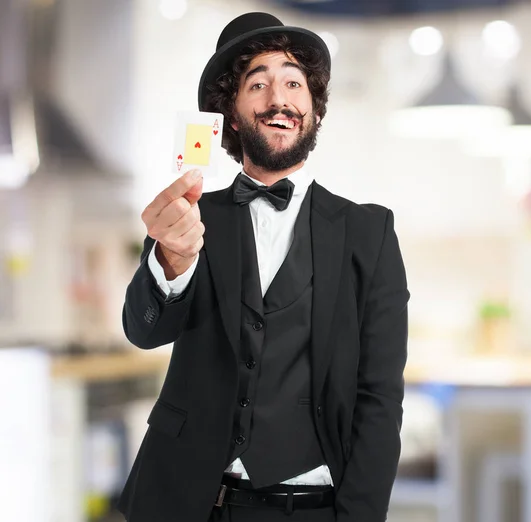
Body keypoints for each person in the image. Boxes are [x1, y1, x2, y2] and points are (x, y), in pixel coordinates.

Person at [118, 11, 409, 522]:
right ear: (231, 114)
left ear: (313, 110)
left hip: (313, 508)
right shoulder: (188, 216)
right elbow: (143, 331)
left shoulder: (370, 233)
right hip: (189, 503)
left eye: (293, 82)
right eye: (258, 84)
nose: (279, 98)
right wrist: (171, 259)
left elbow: (379, 397)